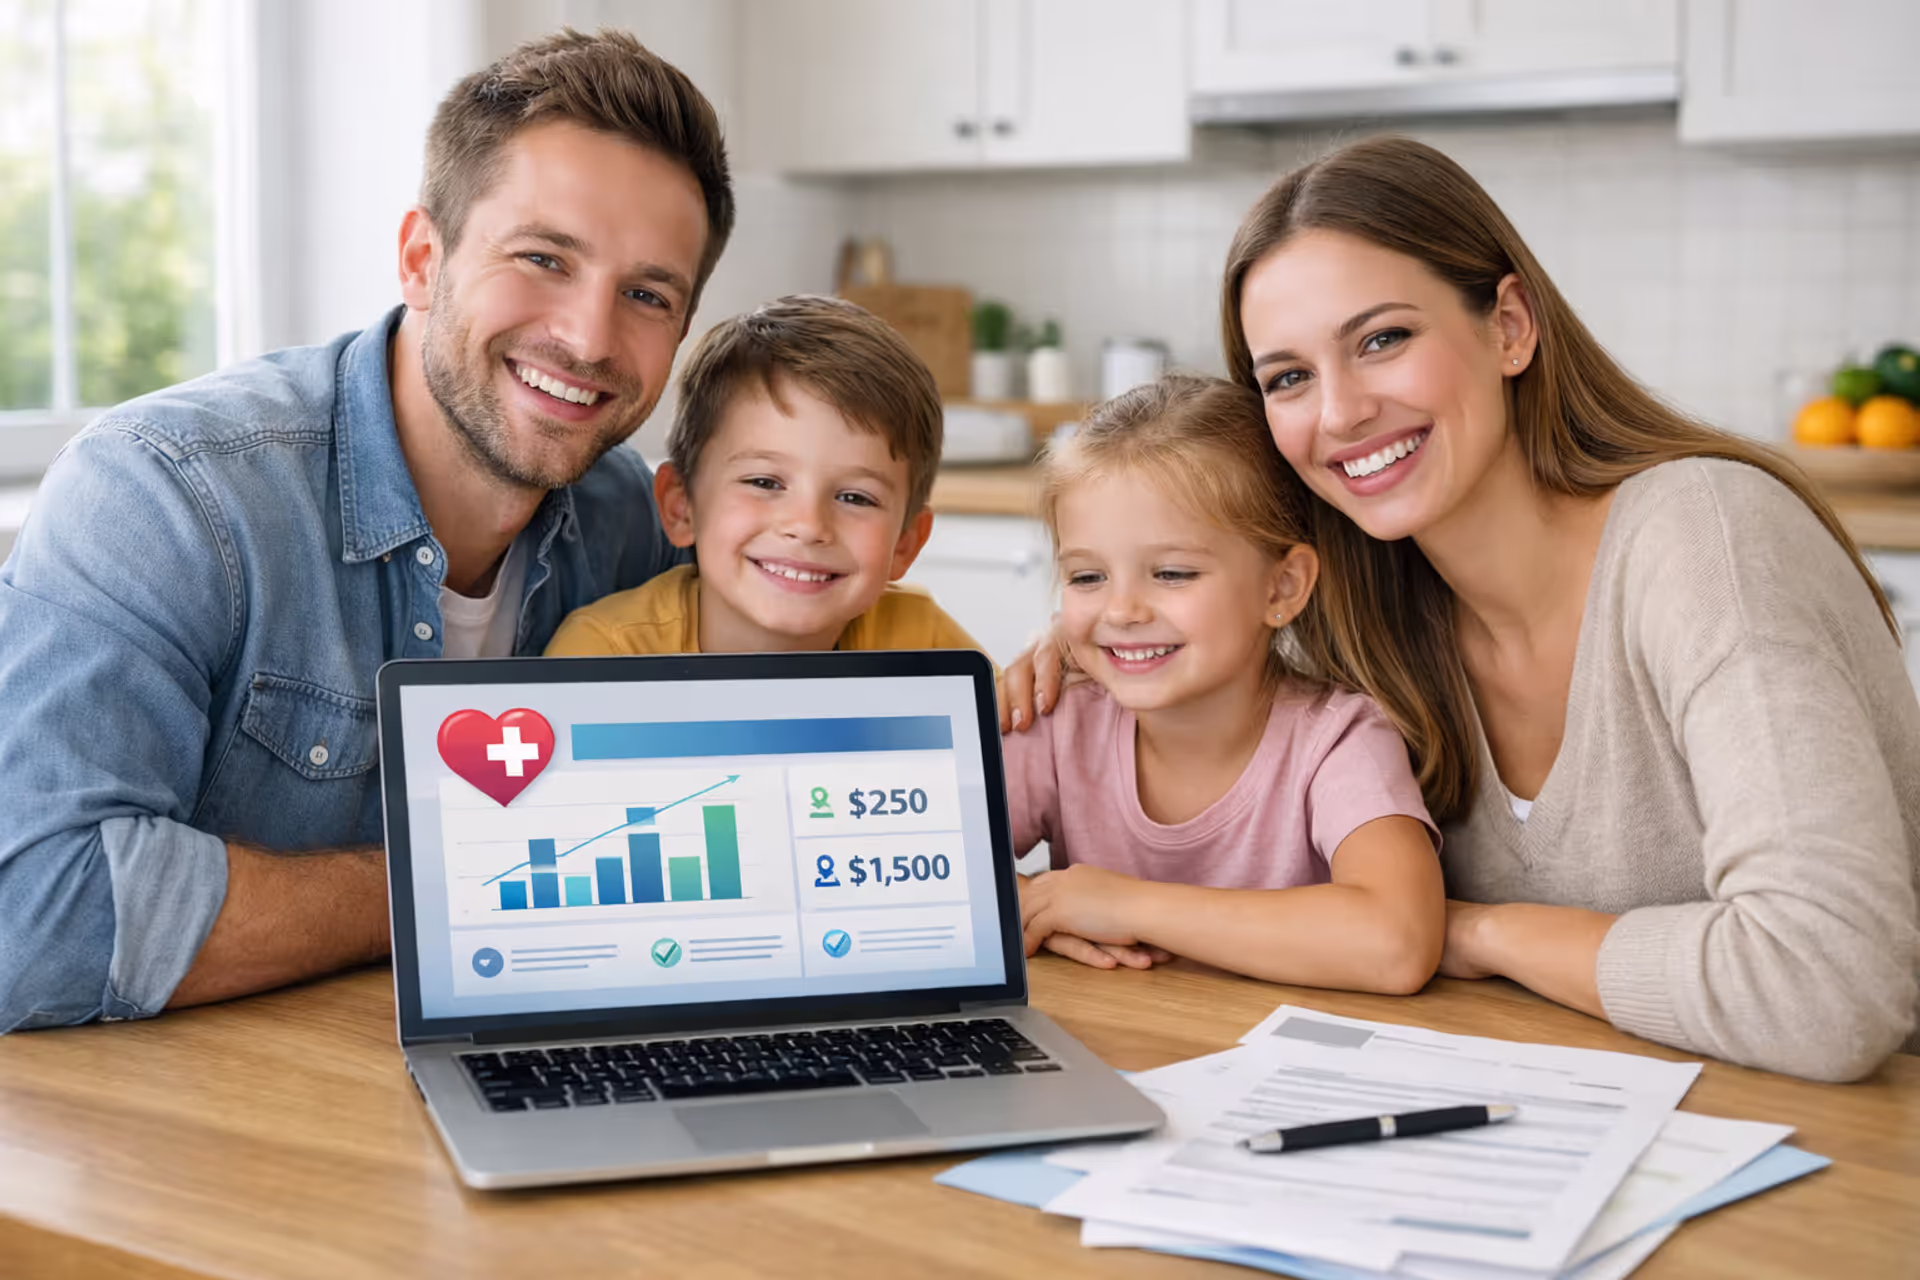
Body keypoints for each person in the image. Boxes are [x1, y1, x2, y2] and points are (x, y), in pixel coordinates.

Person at [1009, 136, 1920, 1082]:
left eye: (1382, 340)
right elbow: (1198, 617)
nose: (1340, 413)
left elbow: (1828, 989)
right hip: (1550, 1114)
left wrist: (1481, 934)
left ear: (1510, 326)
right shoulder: (1371, 609)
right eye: (1288, 377)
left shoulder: (1705, 541)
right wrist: (1084, 643)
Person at [0, 29, 734, 1031]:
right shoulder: (166, 494)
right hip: (176, 1145)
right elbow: (33, 914)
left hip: (460, 1090)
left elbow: (802, 672)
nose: (590, 337)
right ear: (423, 259)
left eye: (647, 295)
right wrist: (458, 880)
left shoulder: (632, 528)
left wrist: (1032, 672)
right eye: (542, 259)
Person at [1006, 374, 1444, 992]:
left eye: (1173, 572)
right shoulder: (1056, 723)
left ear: (1282, 587)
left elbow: (1397, 942)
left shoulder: (1340, 742)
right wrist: (1035, 903)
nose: (1122, 610)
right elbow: (912, 871)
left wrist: (1127, 906)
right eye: (1086, 578)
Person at [545, 294, 980, 657]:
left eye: (855, 498)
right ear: (682, 507)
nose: (808, 527)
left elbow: (1014, 743)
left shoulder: (926, 647)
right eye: (765, 483)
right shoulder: (607, 655)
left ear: (905, 543)